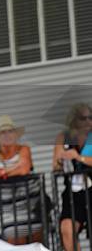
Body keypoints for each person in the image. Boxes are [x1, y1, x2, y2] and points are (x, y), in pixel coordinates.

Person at [0, 115, 42, 245]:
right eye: (3, 132)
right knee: (15, 243)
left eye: (10, 131)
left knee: (37, 245)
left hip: (32, 205)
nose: (7, 135)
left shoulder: (24, 149)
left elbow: (24, 169)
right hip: (10, 210)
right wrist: (7, 170)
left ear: (15, 134)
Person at [53, 103, 92, 251]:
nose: (88, 122)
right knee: (66, 229)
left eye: (91, 118)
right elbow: (56, 165)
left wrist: (79, 157)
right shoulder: (64, 137)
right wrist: (61, 160)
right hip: (74, 192)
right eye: (83, 118)